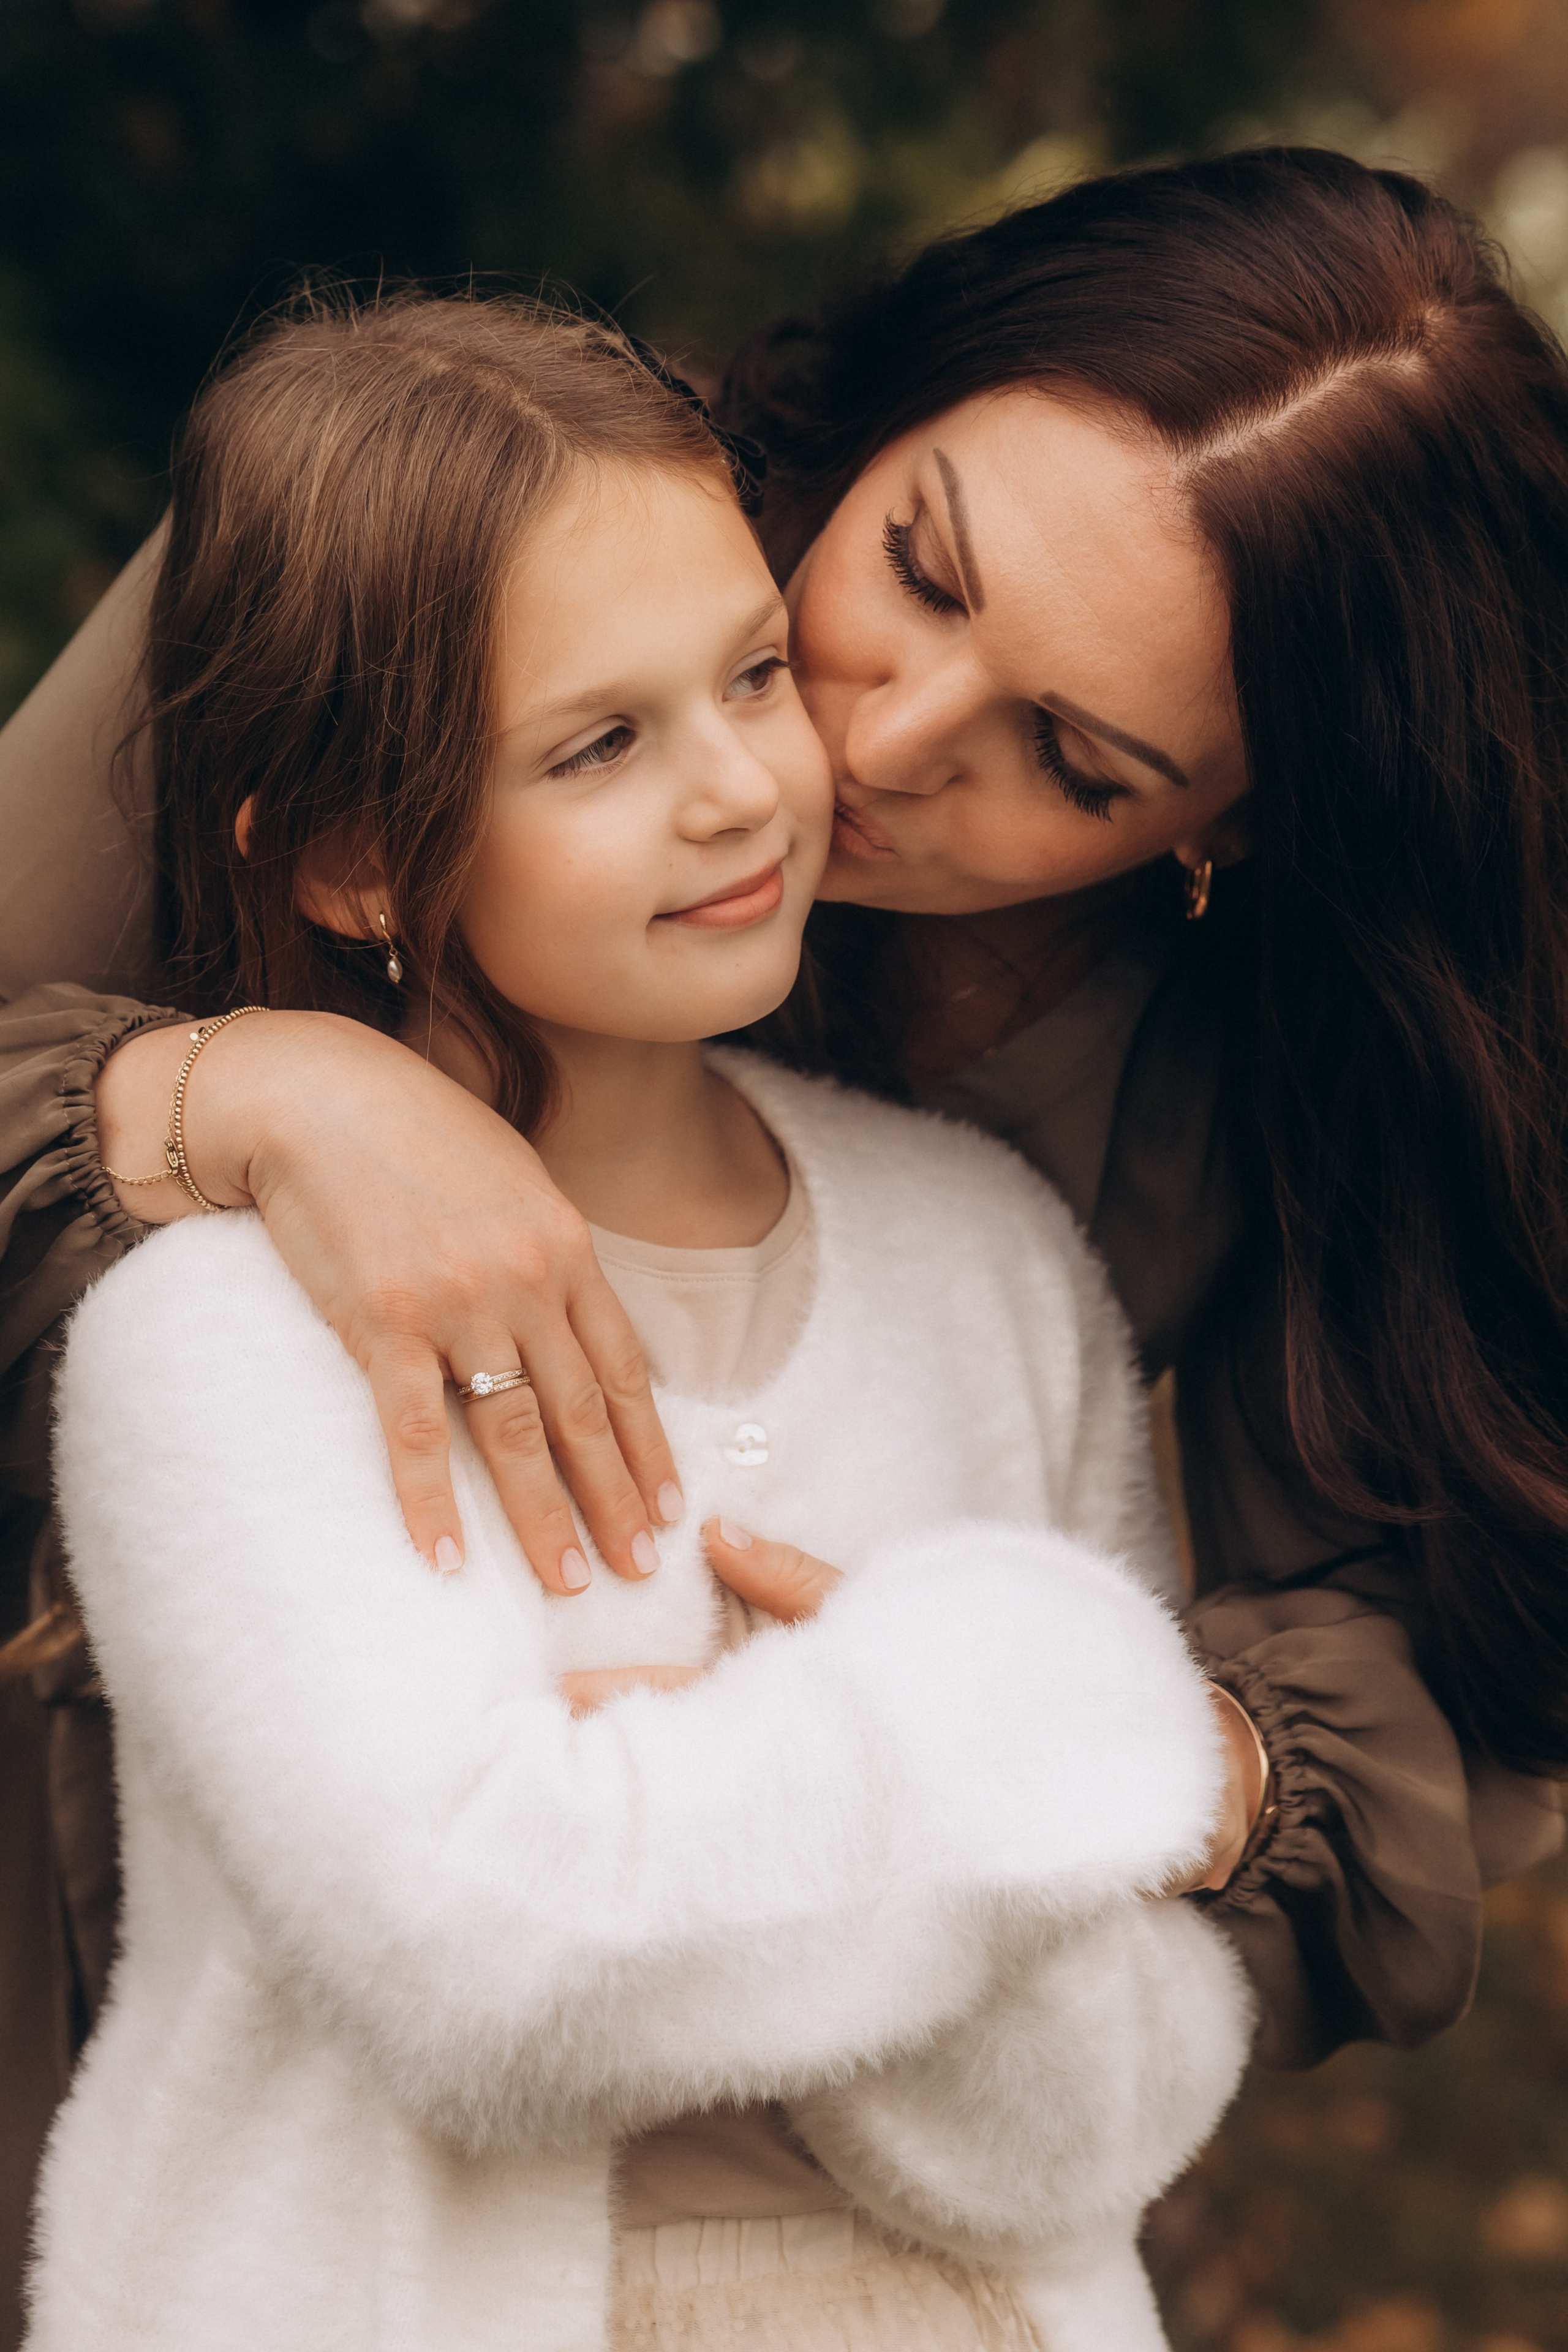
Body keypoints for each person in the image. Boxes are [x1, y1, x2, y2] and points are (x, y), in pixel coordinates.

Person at [0, 139, 1564, 2331]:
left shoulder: (1079, 1209)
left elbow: (1418, 1700)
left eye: (1079, 760)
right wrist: (235, 1091)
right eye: (913, 570)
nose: (859, 743)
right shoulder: (416, 530)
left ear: (1232, 835)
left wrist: (1149, 1749)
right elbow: (474, 1941)